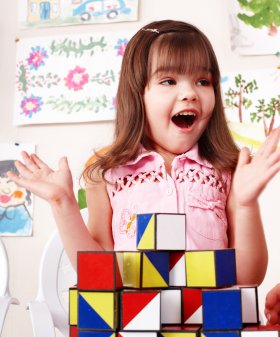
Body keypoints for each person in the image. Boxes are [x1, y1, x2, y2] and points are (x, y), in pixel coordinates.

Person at [7, 20, 280, 285]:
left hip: (207, 326)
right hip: (136, 327)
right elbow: (100, 273)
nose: (190, 93)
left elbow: (248, 277)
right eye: (169, 81)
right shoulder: (107, 172)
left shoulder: (226, 171)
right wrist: (62, 203)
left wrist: (246, 204)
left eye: (203, 81)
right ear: (137, 94)